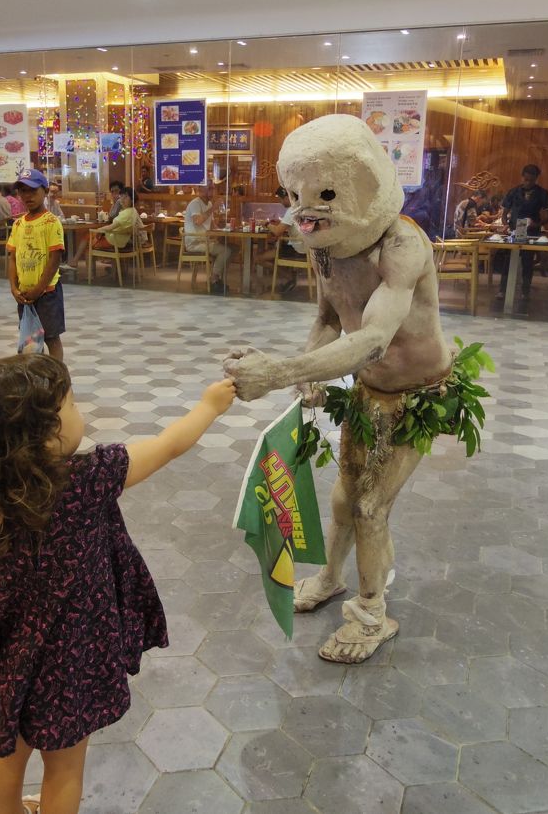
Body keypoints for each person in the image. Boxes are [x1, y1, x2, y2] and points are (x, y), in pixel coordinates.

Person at [0, 352, 236, 814]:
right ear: (43, 434)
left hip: (16, 640)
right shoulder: (90, 478)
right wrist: (209, 406)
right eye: (72, 405)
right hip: (75, 646)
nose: (81, 412)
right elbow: (168, 445)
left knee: (8, 747)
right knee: (65, 766)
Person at [224, 114, 462, 665]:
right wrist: (308, 369)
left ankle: (374, 613)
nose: (305, 208)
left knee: (371, 506)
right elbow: (330, 319)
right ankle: (332, 577)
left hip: (417, 394)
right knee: (342, 500)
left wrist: (280, 371)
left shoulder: (401, 245)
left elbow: (376, 336)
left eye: (325, 193)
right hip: (367, 391)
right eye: (295, 194)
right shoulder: (324, 245)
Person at [7, 169, 66, 362]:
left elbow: (54, 259)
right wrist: (14, 288)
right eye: (22, 191)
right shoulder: (18, 224)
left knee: (51, 337)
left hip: (47, 293)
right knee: (31, 339)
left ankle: (59, 377)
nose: (27, 196)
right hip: (24, 295)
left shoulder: (51, 222)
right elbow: (12, 257)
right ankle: (36, 379)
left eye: (33, 190)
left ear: (45, 191)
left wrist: (38, 289)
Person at [495, 164, 548, 309]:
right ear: (522, 177)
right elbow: (504, 213)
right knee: (508, 261)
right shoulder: (514, 192)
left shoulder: (542, 193)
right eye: (526, 179)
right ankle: (502, 290)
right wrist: (505, 224)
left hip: (532, 231)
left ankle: (525, 292)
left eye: (531, 180)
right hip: (514, 230)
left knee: (528, 262)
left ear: (536, 179)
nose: (528, 183)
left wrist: (537, 223)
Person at [61, 186, 145, 271]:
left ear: (132, 198)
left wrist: (98, 230)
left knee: (88, 242)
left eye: (126, 197)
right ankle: (74, 262)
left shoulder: (126, 213)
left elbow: (111, 226)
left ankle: (82, 269)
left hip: (114, 240)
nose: (122, 199)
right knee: (89, 236)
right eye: (122, 196)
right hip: (121, 240)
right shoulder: (132, 211)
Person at [253, 186, 307, 294]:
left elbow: (277, 231)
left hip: (297, 249)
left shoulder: (292, 210)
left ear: (288, 197)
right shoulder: (301, 208)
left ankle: (289, 278)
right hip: (304, 247)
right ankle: (289, 278)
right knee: (272, 249)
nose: (280, 201)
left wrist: (266, 224)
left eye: (281, 199)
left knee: (258, 258)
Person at [184, 182, 232, 294]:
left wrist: (225, 229)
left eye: (213, 189)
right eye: (209, 189)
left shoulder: (209, 204)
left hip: (205, 240)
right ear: (201, 190)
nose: (212, 191)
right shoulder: (195, 203)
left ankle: (217, 278)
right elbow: (198, 221)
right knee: (225, 251)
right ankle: (214, 280)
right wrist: (213, 208)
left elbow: (212, 226)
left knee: (232, 249)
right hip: (194, 242)